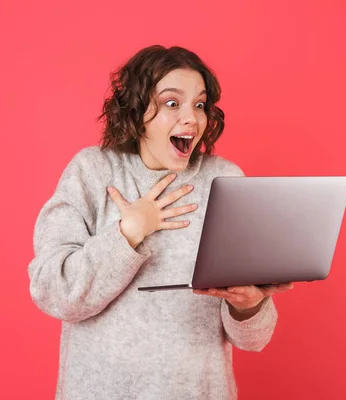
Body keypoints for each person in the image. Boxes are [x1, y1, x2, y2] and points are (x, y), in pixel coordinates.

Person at [28, 44, 294, 400]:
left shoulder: (224, 180)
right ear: (137, 111)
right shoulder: (91, 171)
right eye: (172, 103)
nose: (192, 118)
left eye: (199, 104)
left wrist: (248, 305)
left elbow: (254, 340)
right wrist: (128, 233)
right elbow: (53, 292)